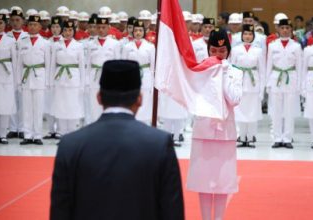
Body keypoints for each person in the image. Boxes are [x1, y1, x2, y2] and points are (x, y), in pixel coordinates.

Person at [50, 59, 184, 220]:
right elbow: (172, 212)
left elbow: (60, 212)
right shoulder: (159, 143)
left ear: (99, 98)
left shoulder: (70, 145)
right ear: (139, 99)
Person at [187, 28, 243, 220]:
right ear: (208, 50)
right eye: (214, 51)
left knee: (222, 182)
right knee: (203, 181)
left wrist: (225, 73)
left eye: (222, 52)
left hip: (225, 133)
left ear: (228, 51)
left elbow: (234, 99)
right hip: (203, 131)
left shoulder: (235, 73)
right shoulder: (200, 71)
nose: (218, 55)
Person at [266, 18, 302, 149]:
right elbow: (269, 65)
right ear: (278, 29)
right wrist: (267, 83)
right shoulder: (272, 45)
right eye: (282, 28)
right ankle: (277, 137)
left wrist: (299, 85)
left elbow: (299, 66)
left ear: (291, 30)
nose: (285, 30)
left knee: (289, 111)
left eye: (288, 28)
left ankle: (287, 138)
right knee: (276, 110)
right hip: (276, 78)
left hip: (291, 78)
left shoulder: (296, 46)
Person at [17, 15, 51, 145]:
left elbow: (48, 63)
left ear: (40, 27)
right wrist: (19, 81)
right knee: (26, 107)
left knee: (38, 107)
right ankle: (27, 134)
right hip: (26, 77)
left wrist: (47, 82)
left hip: (39, 78)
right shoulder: (22, 42)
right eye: (30, 24)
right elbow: (19, 64)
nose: (32, 27)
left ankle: (37, 135)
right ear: (27, 26)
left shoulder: (45, 43)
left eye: (35, 25)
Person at [230, 24, 266, 147]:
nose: (247, 36)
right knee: (239, 111)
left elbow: (262, 71)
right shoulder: (235, 50)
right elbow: (231, 68)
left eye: (250, 34)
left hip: (253, 84)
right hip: (239, 84)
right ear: (241, 35)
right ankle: (241, 135)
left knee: (253, 111)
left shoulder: (258, 50)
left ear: (253, 36)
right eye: (245, 34)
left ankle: (250, 136)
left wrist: (262, 91)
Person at [50, 21, 85, 136]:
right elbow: (52, 65)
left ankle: (72, 132)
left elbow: (82, 67)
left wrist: (82, 84)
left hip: (74, 79)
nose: (68, 32)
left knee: (73, 105)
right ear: (62, 31)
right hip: (59, 78)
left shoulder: (79, 46)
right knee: (60, 105)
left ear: (74, 31)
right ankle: (61, 132)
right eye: (65, 30)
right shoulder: (56, 45)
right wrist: (51, 82)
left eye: (70, 30)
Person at [85, 17, 120, 124]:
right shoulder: (90, 44)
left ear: (108, 28)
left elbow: (117, 63)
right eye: (99, 27)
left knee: (108, 103)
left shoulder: (115, 44)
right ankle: (94, 125)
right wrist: (86, 80)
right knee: (94, 103)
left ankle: (108, 126)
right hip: (94, 76)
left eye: (103, 27)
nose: (101, 30)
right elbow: (87, 64)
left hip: (109, 76)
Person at [121, 20, 155, 125]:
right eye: (136, 30)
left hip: (146, 75)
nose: (138, 33)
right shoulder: (127, 47)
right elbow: (124, 65)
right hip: (131, 75)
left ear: (144, 32)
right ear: (133, 32)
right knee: (133, 99)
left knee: (145, 100)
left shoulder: (150, 47)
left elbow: (153, 66)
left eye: (140, 30)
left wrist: (153, 82)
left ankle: (145, 123)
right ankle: (132, 121)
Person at [0, 13, 17, 144]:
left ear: (5, 25)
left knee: (5, 106)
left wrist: (15, 80)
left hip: (7, 76)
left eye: (0, 23)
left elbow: (15, 61)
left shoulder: (10, 40)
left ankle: (2, 133)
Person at [7, 9, 28, 139]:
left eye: (18, 20)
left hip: (23, 71)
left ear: (23, 21)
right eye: (13, 20)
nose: (15, 23)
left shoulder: (26, 36)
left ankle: (22, 128)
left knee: (23, 101)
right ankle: (13, 128)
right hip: (9, 72)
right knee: (11, 100)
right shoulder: (6, 36)